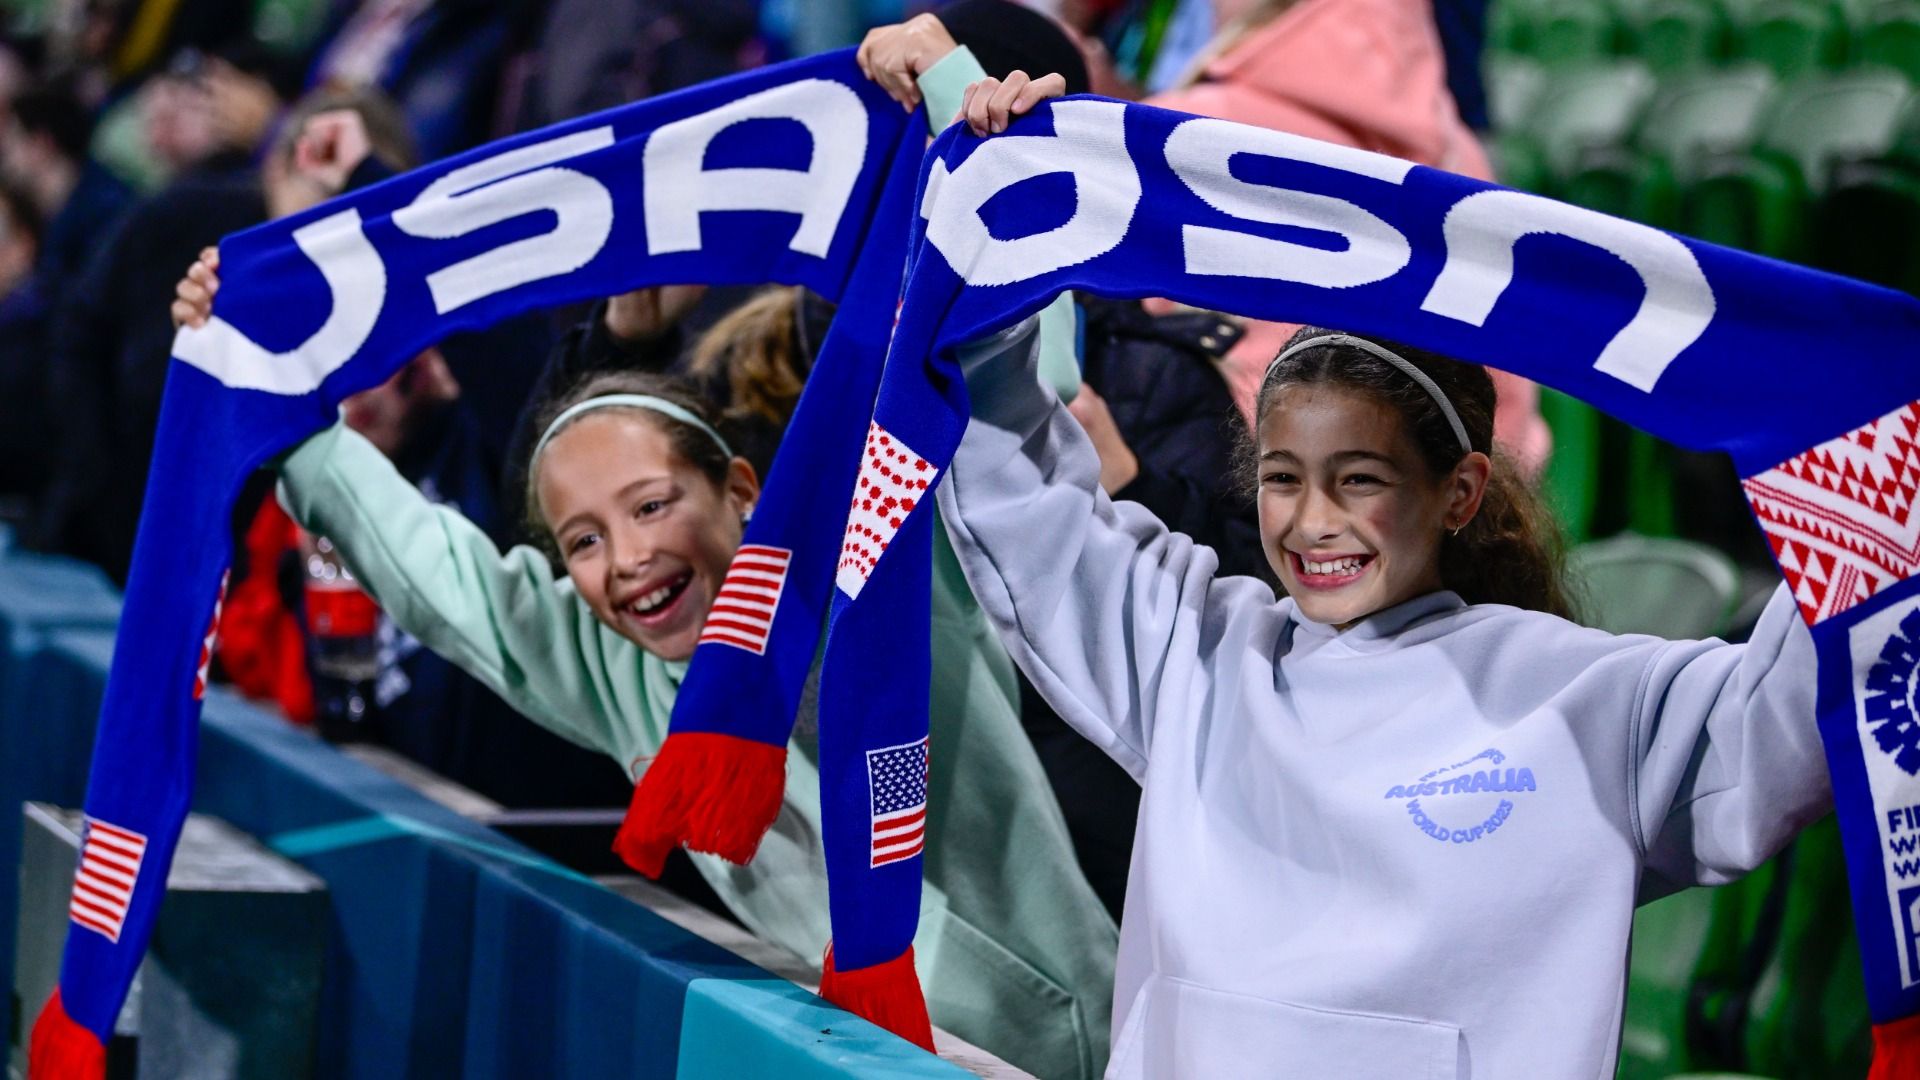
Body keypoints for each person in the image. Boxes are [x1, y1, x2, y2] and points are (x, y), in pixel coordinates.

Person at [168, 74, 1121, 1080]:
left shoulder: (879, 554)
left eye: (652, 504)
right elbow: (431, 568)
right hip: (863, 1062)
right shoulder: (617, 675)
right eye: (581, 541)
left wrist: (954, 91)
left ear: (741, 488)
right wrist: (263, 375)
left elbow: (1005, 376)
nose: (626, 560)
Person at [937, 295, 1828, 1073]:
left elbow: (1798, 710)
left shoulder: (1587, 699)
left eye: (1359, 480)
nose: (1314, 522)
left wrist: (1860, 461)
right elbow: (1022, 498)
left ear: (1461, 491)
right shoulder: (1198, 657)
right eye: (1284, 479)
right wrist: (990, 213)